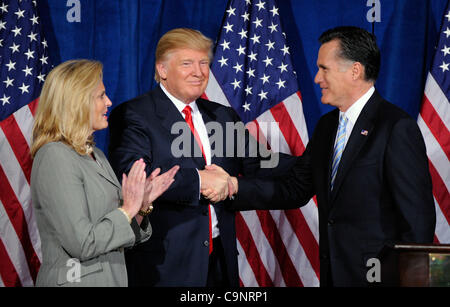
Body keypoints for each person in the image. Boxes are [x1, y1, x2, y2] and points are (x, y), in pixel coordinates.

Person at [223, 26, 436, 286]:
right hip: (334, 276)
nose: (316, 78)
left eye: (324, 69)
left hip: (379, 279)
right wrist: (233, 187)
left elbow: (417, 221)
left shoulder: (395, 127)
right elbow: (295, 188)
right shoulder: (327, 127)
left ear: (355, 71)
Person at [108, 28, 290, 287]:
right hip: (164, 266)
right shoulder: (133, 114)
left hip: (219, 263)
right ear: (162, 69)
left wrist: (316, 163)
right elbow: (134, 176)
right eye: (187, 63)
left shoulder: (223, 116)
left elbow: (261, 163)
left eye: (204, 63)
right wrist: (200, 180)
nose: (199, 71)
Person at [30, 59, 179, 287]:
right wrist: (128, 208)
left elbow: (117, 234)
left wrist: (141, 206)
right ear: (76, 102)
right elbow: (82, 243)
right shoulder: (55, 156)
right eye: (100, 96)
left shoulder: (96, 155)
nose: (109, 102)